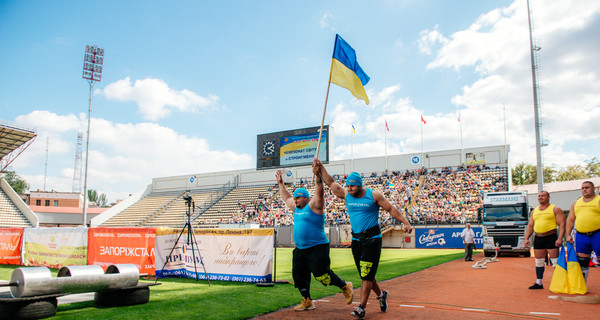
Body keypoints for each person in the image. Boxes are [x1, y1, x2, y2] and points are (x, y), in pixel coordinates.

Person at [313, 159, 413, 319]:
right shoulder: (346, 194)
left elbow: (391, 209)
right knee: (367, 274)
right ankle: (381, 295)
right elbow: (330, 182)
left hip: (372, 239)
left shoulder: (373, 195)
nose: (349, 188)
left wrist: (405, 222)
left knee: (366, 274)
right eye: (348, 185)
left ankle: (361, 308)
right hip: (357, 241)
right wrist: (320, 168)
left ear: (359, 185)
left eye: (352, 185)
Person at [275, 170, 354, 312]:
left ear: (305, 198)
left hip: (317, 247)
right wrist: (281, 183)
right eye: (295, 198)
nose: (295, 200)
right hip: (300, 250)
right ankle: (307, 300)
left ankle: (344, 286)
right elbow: (285, 197)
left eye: (297, 198)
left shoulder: (314, 206)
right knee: (299, 275)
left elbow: (320, 192)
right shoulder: (296, 208)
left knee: (322, 275)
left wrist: (318, 175)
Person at [523, 191, 565, 289]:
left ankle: (560, 283)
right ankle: (539, 283)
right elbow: (530, 226)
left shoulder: (555, 209)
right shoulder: (534, 211)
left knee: (555, 261)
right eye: (539, 196)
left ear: (548, 197)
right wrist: (526, 238)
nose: (541, 197)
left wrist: (560, 238)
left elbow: (562, 224)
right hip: (538, 237)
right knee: (539, 261)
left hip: (551, 237)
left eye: (543, 196)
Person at [566, 181, 600, 284]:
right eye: (582, 188)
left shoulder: (598, 200)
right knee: (582, 262)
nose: (584, 190)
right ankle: (583, 285)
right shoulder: (576, 203)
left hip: (597, 234)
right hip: (581, 236)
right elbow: (571, 219)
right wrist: (568, 234)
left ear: (593, 188)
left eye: (587, 187)